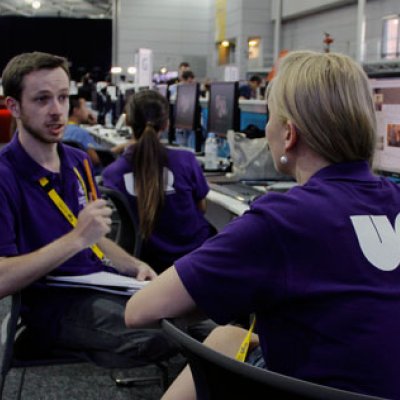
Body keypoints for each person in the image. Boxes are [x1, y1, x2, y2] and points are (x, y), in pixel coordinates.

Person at [124, 50, 400, 400]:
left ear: (289, 134)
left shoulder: (283, 219)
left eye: (270, 116)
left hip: (314, 389)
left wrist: (221, 291)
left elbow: (140, 310)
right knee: (228, 337)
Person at [0, 51, 179, 368]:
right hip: (52, 306)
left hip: (103, 284)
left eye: (62, 98)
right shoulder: (5, 175)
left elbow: (93, 236)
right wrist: (76, 239)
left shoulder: (77, 161)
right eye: (42, 100)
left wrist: (133, 265)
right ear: (13, 106)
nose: (57, 111)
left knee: (200, 322)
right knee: (170, 338)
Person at [102, 89, 216, 273]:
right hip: (193, 260)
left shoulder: (112, 174)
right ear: (166, 123)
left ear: (128, 121)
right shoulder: (186, 160)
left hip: (147, 264)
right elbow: (201, 208)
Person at [63, 95, 102, 168]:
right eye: (85, 107)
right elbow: (96, 160)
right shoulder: (81, 133)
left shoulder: (61, 130)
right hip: (89, 174)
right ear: (76, 111)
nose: (88, 111)